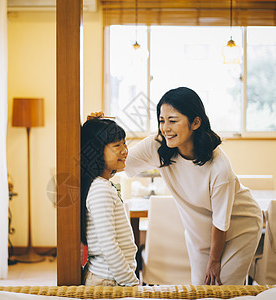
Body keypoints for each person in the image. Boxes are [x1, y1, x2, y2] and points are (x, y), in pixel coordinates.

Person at [125, 87, 262, 285]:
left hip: (239, 229)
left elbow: (221, 221)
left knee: (224, 292)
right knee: (200, 292)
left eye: (173, 121)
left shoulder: (219, 167)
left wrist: (214, 261)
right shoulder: (157, 146)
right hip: (201, 235)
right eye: (162, 121)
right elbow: (120, 161)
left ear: (195, 122)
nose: (165, 128)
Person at [80, 114, 139, 287]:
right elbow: (108, 245)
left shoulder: (102, 185)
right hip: (107, 279)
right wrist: (131, 283)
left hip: (111, 276)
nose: (124, 150)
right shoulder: (100, 189)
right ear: (96, 151)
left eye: (124, 143)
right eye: (117, 145)